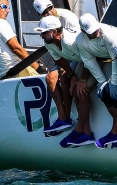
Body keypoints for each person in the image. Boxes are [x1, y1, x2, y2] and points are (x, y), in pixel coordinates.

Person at [35, 15, 95, 148]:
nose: (42, 36)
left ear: (55, 32)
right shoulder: (49, 42)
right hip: (80, 60)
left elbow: (89, 59)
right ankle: (65, 119)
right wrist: (72, 75)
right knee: (64, 79)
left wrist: (82, 79)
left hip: (93, 58)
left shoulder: (71, 42)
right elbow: (59, 59)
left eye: (44, 33)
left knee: (81, 90)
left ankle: (83, 131)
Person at [75, 13, 117, 149]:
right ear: (83, 32)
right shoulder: (80, 41)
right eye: (91, 32)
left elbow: (116, 58)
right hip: (106, 61)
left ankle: (116, 131)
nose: (96, 32)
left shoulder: (108, 35)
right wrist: (101, 81)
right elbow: (89, 61)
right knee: (104, 92)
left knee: (115, 88)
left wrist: (113, 82)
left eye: (96, 29)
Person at [0, 0, 43, 81]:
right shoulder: (0, 22)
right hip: (18, 71)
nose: (8, 11)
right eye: (4, 7)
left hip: (0, 78)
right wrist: (38, 68)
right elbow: (16, 49)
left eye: (8, 8)